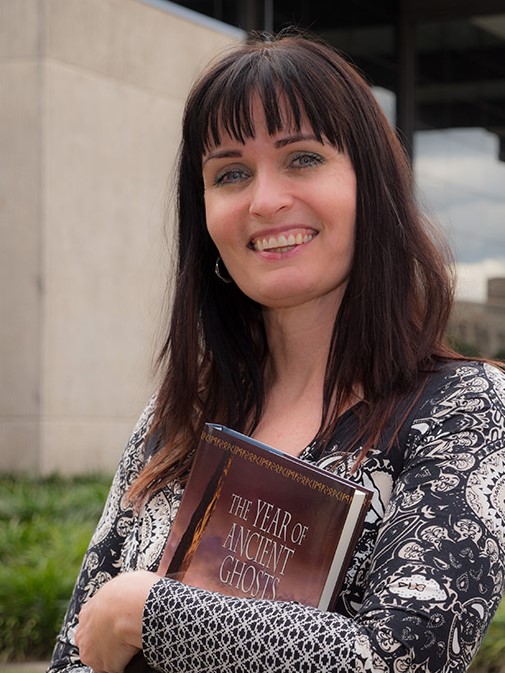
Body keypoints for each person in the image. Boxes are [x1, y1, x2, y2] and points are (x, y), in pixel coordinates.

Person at [48, 29, 505, 673]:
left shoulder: (465, 409)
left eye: (303, 158)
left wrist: (147, 613)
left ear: (369, 186)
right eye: (230, 173)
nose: (265, 201)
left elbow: (396, 663)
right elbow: (79, 652)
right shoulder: (175, 418)